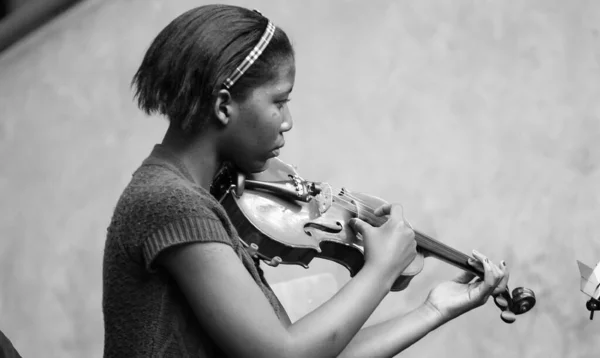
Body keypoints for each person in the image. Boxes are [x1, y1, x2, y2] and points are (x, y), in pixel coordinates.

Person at [102, 4, 510, 357]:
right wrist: (381, 270)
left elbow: (310, 350)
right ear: (224, 105)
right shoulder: (171, 204)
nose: (288, 122)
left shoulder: (201, 198)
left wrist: (433, 309)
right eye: (279, 101)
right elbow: (284, 353)